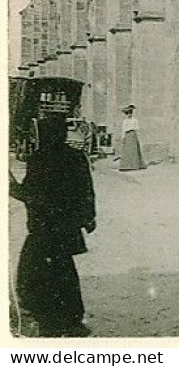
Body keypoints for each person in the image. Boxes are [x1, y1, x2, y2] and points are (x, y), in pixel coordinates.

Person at [10, 114, 96, 337]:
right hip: (66, 228)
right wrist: (88, 219)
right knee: (64, 270)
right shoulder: (76, 158)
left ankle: (48, 319)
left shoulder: (39, 159)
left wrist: (10, 185)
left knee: (34, 271)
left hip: (44, 228)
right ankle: (71, 319)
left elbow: (30, 194)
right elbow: (87, 190)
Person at [118, 104, 146, 171]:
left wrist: (136, 137)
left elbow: (137, 128)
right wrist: (123, 137)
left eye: (130, 113)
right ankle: (126, 166)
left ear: (132, 113)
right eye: (127, 113)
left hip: (133, 135)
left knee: (133, 150)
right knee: (127, 150)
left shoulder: (135, 120)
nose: (129, 114)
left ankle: (134, 165)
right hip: (127, 135)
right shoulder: (125, 121)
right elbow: (123, 130)